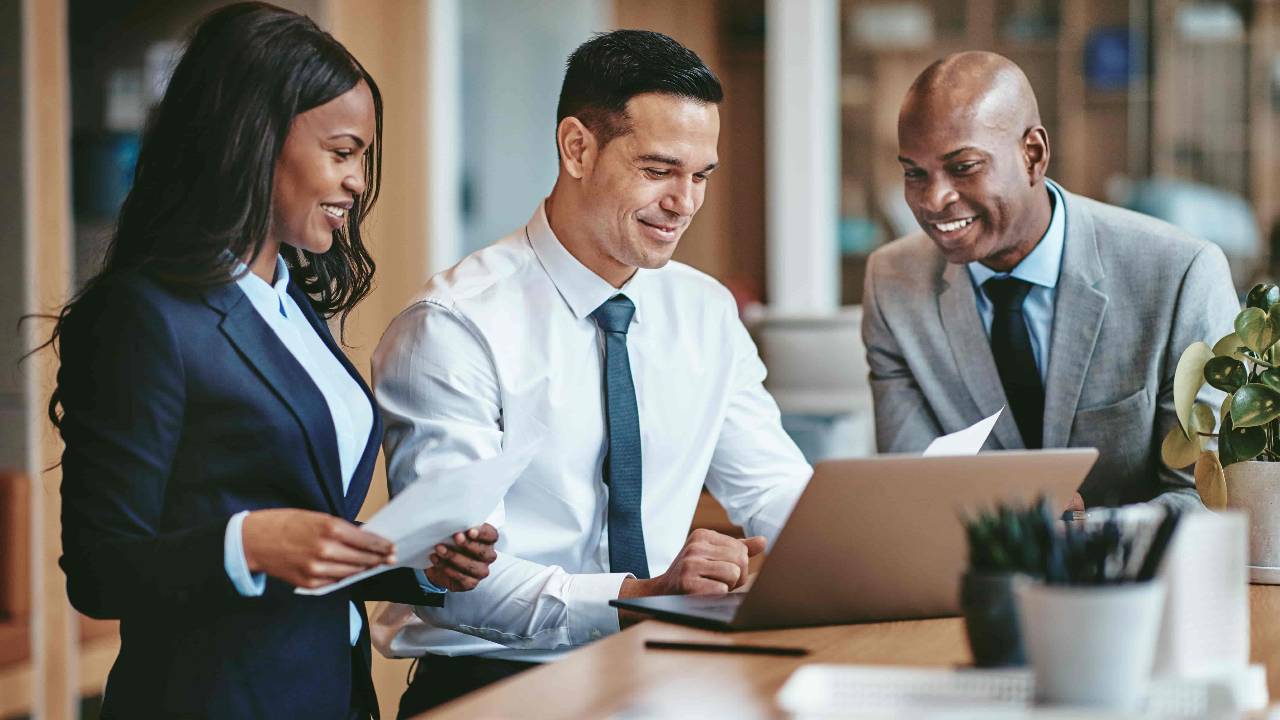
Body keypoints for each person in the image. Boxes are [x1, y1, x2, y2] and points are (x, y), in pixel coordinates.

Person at [51, 4, 497, 718]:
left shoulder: (291, 307)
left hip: (333, 696)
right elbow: (100, 571)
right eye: (342, 151)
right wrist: (248, 543)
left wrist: (414, 562)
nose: (357, 182)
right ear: (254, 139)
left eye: (362, 158)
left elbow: (307, 533)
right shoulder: (146, 316)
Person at [371, 29, 812, 715]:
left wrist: (865, 555)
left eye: (701, 176)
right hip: (494, 692)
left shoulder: (704, 312)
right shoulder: (455, 326)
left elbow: (775, 489)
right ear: (577, 147)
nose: (685, 202)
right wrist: (641, 597)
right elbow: (459, 583)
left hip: (665, 679)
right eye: (660, 170)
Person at [862, 51, 1239, 510]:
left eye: (963, 167)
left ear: (1033, 155)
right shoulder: (892, 283)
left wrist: (1084, 533)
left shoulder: (1180, 274)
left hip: (1136, 577)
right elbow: (913, 489)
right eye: (914, 173)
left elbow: (1205, 497)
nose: (934, 198)